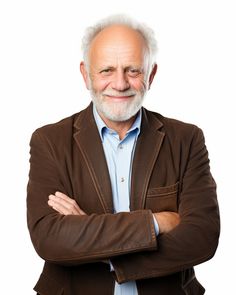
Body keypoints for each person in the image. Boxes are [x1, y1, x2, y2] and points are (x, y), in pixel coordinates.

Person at [27, 14, 220, 295]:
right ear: (86, 74)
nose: (120, 84)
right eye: (106, 70)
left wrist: (91, 238)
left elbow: (201, 237)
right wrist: (155, 222)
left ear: (151, 74)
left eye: (133, 70)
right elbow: (50, 239)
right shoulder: (49, 141)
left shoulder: (186, 139)